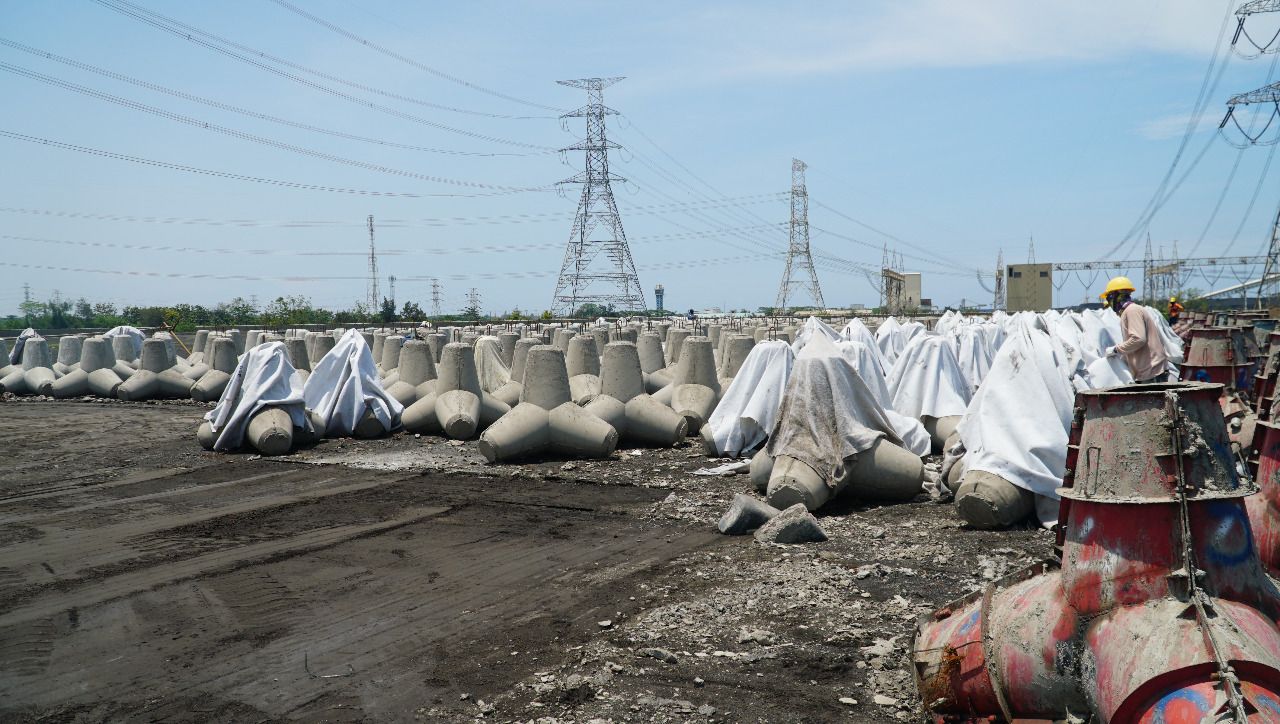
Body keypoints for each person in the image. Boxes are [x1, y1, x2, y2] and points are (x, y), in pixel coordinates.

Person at [1101, 276, 1170, 383]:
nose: (1110, 304)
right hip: (1149, 372)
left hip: (1151, 373)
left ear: (1115, 296)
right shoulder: (1131, 311)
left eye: (1109, 299)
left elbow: (1138, 339)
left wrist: (1116, 350)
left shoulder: (1131, 311)